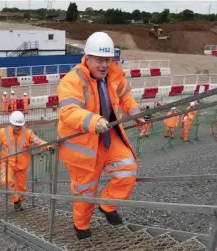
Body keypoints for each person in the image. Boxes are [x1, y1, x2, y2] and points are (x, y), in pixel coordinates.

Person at [57, 31, 145, 240]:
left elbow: (126, 98)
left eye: (108, 60)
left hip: (108, 138)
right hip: (83, 146)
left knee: (128, 169)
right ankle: (81, 227)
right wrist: (94, 121)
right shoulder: (72, 81)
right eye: (99, 60)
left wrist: (137, 114)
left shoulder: (114, 75)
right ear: (87, 58)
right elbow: (68, 111)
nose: (104, 65)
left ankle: (107, 205)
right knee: (86, 192)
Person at [0, 111, 54, 211]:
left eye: (19, 126)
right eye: (16, 125)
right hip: (7, 163)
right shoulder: (3, 132)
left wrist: (47, 146)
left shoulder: (28, 133)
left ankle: (19, 205)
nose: (18, 128)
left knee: (21, 188)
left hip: (22, 165)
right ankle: (15, 200)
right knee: (6, 181)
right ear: (11, 123)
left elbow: (38, 141)